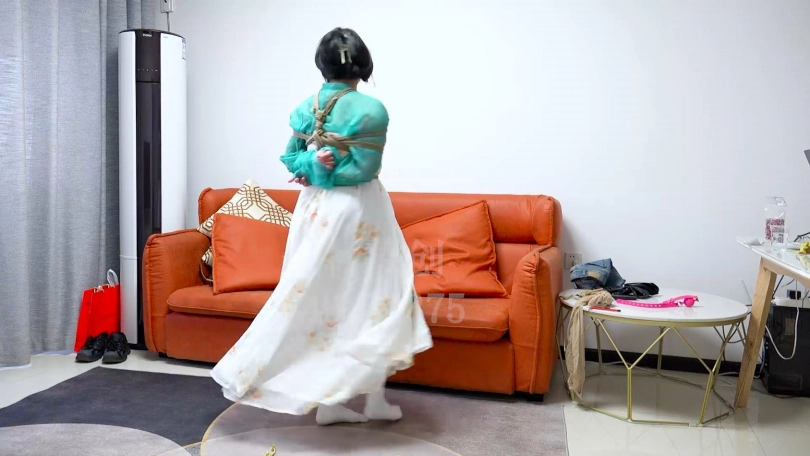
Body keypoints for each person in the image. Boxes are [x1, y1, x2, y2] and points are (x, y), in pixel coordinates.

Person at [211, 27, 433, 425]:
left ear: (323, 64)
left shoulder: (303, 108)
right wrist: (320, 167)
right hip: (358, 211)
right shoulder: (372, 109)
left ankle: (334, 403)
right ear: (363, 64)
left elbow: (290, 159)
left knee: (328, 302)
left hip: (315, 209)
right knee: (377, 299)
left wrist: (312, 167)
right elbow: (364, 168)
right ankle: (366, 400)